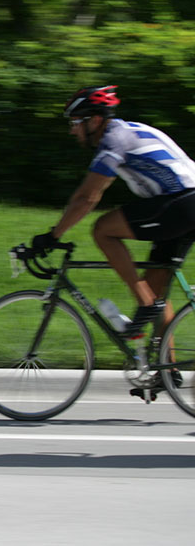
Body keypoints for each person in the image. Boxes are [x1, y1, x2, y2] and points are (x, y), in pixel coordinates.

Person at [30, 85, 195, 390]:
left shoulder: (114, 140)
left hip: (183, 203)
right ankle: (167, 370)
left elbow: (87, 197)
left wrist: (53, 235)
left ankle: (146, 307)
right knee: (155, 288)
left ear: (94, 120)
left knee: (103, 229)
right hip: (183, 204)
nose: (72, 131)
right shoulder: (121, 134)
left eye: (75, 123)